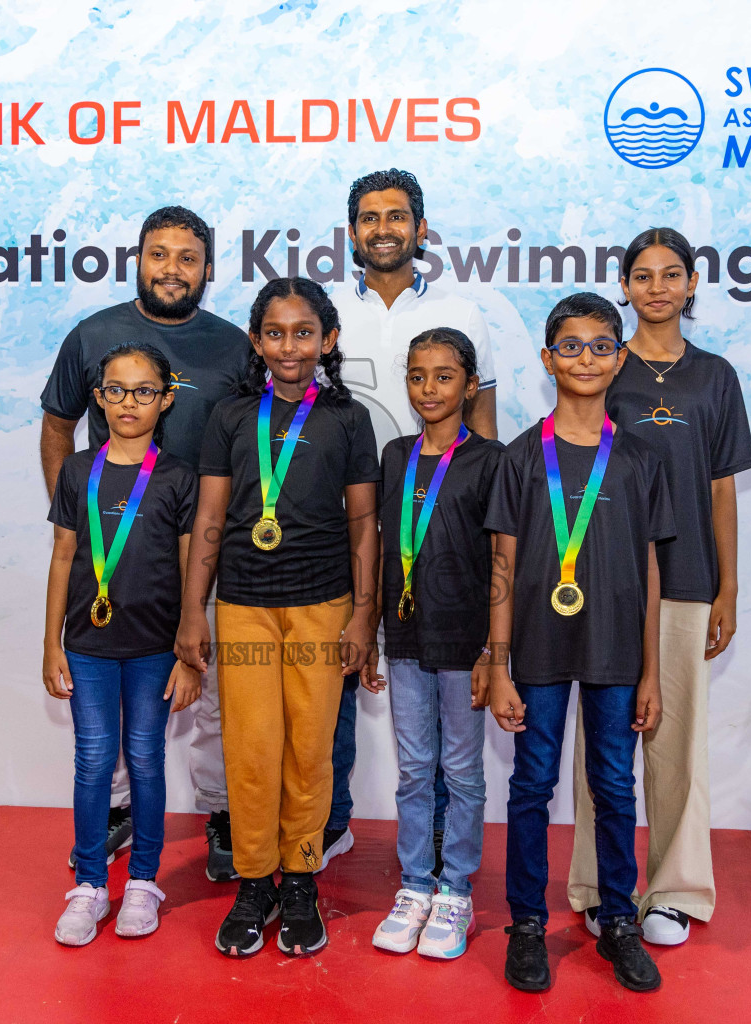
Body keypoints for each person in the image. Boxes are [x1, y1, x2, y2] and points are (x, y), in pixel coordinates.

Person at [40, 206, 247, 882]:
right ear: (139, 259)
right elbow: (57, 426)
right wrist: (76, 508)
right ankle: (116, 809)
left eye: (187, 257)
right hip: (111, 558)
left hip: (204, 553)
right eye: (159, 254)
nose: (172, 269)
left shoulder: (234, 346)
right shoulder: (94, 334)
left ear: (208, 269)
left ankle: (218, 810)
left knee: (208, 686)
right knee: (108, 710)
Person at [175, 277, 380, 958]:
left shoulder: (349, 420)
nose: (289, 346)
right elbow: (207, 520)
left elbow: (363, 531)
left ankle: (300, 878)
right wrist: (192, 615)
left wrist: (363, 619)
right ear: (257, 341)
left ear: (328, 340)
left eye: (303, 332)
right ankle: (254, 880)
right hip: (242, 610)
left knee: (310, 751)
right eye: (274, 332)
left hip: (324, 609)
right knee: (253, 750)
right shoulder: (232, 417)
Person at [568, 228, 751, 945]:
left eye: (670, 274)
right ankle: (595, 882)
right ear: (624, 286)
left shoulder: (715, 376)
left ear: (691, 284)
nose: (656, 287)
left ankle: (674, 890)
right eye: (642, 275)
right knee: (603, 744)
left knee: (676, 744)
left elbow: (721, 490)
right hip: (603, 585)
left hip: (685, 583)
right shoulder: (600, 368)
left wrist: (727, 588)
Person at [484, 293, 674, 993]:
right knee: (531, 786)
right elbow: (501, 565)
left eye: (601, 346)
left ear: (619, 359)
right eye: (571, 346)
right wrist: (498, 665)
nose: (586, 358)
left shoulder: (639, 460)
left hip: (617, 655)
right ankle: (527, 924)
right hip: (535, 652)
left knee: (616, 789)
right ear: (547, 359)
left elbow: (652, 569)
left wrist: (652, 672)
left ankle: (619, 921)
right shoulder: (519, 457)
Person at [324, 168, 500, 872]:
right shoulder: (330, 310)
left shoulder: (466, 313)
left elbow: (483, 434)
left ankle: (441, 859)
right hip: (337, 527)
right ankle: (331, 822)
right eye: (370, 217)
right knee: (341, 672)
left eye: (398, 216)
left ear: (421, 230)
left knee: (448, 726)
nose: (384, 228)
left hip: (441, 542)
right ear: (353, 233)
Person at [44, 343, 201, 945]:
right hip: (85, 646)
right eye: (115, 390)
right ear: (98, 398)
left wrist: (189, 656)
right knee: (92, 759)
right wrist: (50, 642)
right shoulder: (77, 472)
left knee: (145, 758)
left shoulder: (179, 477)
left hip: (156, 649)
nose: (127, 402)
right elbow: (62, 557)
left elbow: (193, 575)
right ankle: (88, 885)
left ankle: (142, 881)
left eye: (142, 391)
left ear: (164, 400)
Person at [367, 328, 502, 960]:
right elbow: (377, 549)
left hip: (464, 642)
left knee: (463, 771)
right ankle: (415, 884)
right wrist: (368, 631)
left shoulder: (492, 460)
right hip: (403, 637)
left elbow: (503, 563)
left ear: (470, 385)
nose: (430, 388)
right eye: (418, 376)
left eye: (445, 376)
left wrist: (492, 653)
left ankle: (456, 889)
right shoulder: (394, 455)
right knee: (415, 768)